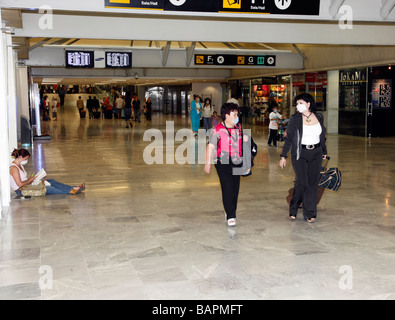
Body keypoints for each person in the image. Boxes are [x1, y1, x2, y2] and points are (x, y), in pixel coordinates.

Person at [279, 93, 328, 223]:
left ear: (308, 104)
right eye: (297, 103)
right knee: (302, 182)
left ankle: (310, 213)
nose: (299, 106)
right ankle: (293, 208)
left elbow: (322, 136)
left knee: (312, 184)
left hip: (316, 153)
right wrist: (283, 156)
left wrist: (324, 151)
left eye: (301, 103)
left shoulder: (319, 117)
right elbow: (289, 138)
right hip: (300, 154)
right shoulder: (295, 119)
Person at [204, 103, 243, 227]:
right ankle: (231, 215)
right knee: (227, 188)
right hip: (223, 161)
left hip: (237, 161)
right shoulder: (218, 129)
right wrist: (207, 163)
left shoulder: (239, 127)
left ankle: (230, 210)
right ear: (227, 115)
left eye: (237, 114)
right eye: (234, 114)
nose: (237, 116)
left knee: (235, 188)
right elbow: (210, 146)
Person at [10, 149, 85, 196]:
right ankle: (72, 191)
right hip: (21, 190)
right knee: (48, 188)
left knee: (51, 181)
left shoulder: (19, 165)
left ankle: (73, 188)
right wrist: (30, 180)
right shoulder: (14, 168)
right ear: (20, 158)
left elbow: (24, 180)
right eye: (25, 159)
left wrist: (33, 180)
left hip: (27, 185)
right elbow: (19, 184)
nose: (26, 161)